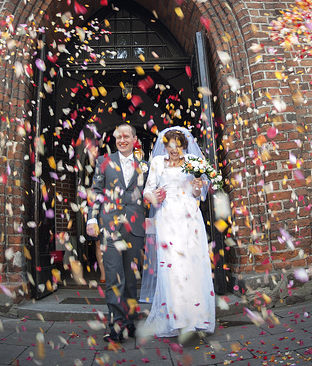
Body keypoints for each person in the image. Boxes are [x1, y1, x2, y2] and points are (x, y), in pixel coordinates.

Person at [139, 126, 216, 339]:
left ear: (184, 145)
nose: (174, 150)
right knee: (172, 267)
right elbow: (147, 190)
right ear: (165, 147)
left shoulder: (193, 162)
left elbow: (196, 193)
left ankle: (197, 317)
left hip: (190, 217)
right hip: (167, 218)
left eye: (178, 146)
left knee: (192, 265)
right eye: (170, 146)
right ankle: (178, 319)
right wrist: (153, 196)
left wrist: (199, 186)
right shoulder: (157, 163)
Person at [86, 123, 148, 342]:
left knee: (131, 278)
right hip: (110, 225)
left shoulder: (145, 165)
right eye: (118, 136)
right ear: (114, 139)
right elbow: (96, 191)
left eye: (126, 136)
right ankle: (116, 325)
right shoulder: (104, 162)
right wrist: (92, 217)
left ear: (134, 139)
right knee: (114, 277)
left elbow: (149, 193)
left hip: (135, 227)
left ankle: (130, 322)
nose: (122, 140)